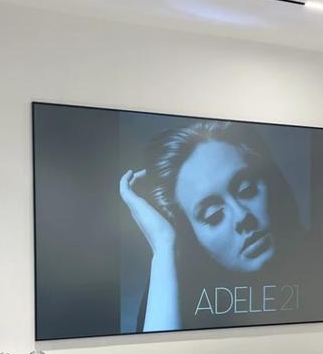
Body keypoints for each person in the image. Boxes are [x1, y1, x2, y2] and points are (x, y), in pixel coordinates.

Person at [119, 120, 303, 332]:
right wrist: (164, 244)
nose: (242, 216)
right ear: (191, 233)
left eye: (246, 189)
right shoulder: (174, 295)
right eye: (213, 215)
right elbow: (156, 353)